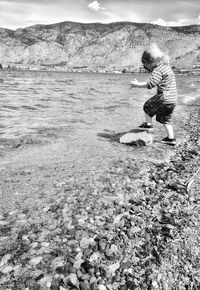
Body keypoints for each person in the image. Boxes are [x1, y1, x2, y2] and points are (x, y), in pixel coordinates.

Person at [130, 43, 177, 145]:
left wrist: (137, 85)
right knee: (166, 119)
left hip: (164, 97)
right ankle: (171, 138)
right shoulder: (167, 67)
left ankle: (148, 125)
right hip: (173, 100)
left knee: (147, 106)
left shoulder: (158, 69)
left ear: (152, 62)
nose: (145, 67)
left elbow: (151, 83)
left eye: (145, 64)